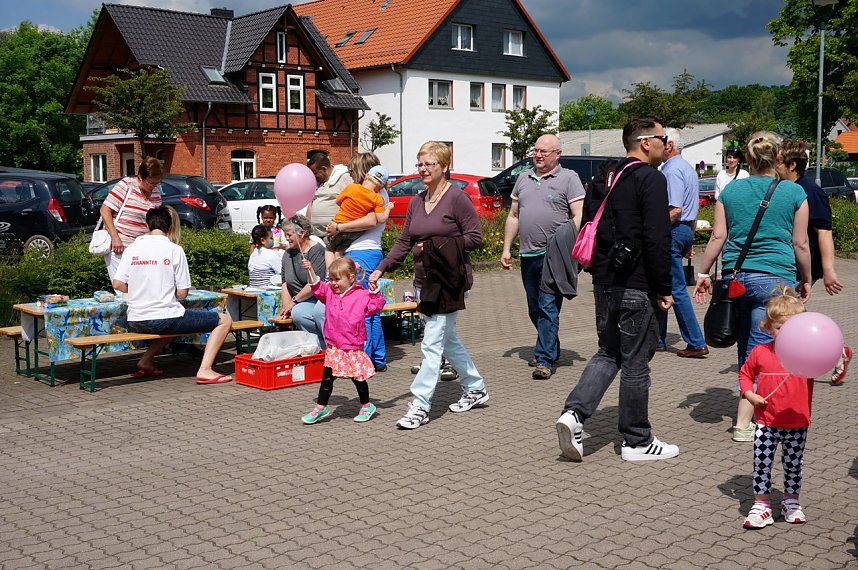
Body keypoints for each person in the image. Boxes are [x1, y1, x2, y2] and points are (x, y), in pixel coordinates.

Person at [556, 116, 679, 462]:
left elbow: (589, 225)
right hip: (637, 284)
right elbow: (657, 238)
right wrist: (664, 287)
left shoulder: (604, 177)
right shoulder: (650, 179)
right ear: (645, 142)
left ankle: (574, 414)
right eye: (662, 138)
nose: (666, 144)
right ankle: (637, 440)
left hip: (604, 280)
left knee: (608, 352)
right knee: (636, 362)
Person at [692, 131, 812, 443]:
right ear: (779, 158)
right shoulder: (794, 192)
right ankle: (747, 421)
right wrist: (807, 278)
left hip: (736, 278)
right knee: (764, 349)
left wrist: (703, 272)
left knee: (747, 348)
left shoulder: (731, 191)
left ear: (747, 159)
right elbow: (800, 243)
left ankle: (749, 408)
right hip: (775, 278)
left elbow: (718, 236)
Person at [370, 141, 489, 429]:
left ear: (444, 167)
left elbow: (475, 237)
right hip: (424, 281)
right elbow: (405, 241)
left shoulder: (457, 198)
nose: (423, 169)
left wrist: (437, 245)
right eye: (420, 164)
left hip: (450, 281)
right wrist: (382, 268)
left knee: (432, 343)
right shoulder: (417, 201)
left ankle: (420, 405)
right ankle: (475, 388)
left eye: (429, 164)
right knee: (447, 339)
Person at [111, 207, 233, 384]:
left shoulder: (132, 249)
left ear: (148, 225)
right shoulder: (174, 249)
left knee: (173, 320)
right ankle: (205, 369)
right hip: (164, 319)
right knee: (224, 320)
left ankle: (146, 361)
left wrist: (141, 289)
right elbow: (182, 293)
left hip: (136, 319)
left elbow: (117, 284)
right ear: (170, 226)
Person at [500, 133, 585, 379]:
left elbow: (579, 215)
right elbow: (514, 216)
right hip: (528, 254)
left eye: (543, 151)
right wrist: (506, 248)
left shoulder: (569, 178)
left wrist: (565, 242)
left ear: (557, 154)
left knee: (548, 306)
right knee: (534, 307)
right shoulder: (523, 178)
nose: (538, 155)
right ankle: (551, 347)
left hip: (554, 255)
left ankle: (544, 360)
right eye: (535, 151)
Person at [738, 287, 814, 529]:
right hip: (766, 422)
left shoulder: (806, 354)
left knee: (794, 464)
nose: (787, 333)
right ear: (769, 327)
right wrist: (750, 394)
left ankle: (791, 501)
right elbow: (745, 374)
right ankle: (762, 504)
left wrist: (839, 355)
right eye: (781, 327)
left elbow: (826, 360)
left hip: (797, 421)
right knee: (762, 463)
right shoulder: (760, 352)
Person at [776, 139, 851, 384]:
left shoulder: (811, 191)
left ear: (792, 165)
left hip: (806, 263)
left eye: (779, 162)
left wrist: (828, 271)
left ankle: (834, 353)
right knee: (791, 312)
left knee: (790, 313)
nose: (775, 166)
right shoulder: (782, 188)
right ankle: (830, 352)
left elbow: (824, 232)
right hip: (787, 261)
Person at [300, 257, 386, 424]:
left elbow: (376, 306)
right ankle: (321, 407)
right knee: (327, 378)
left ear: (351, 277)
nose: (333, 283)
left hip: (352, 345)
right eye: (331, 279)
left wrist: (375, 292)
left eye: (337, 279)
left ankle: (366, 405)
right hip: (334, 345)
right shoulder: (329, 293)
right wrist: (309, 270)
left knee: (358, 378)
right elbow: (317, 287)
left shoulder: (362, 295)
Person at [326, 152, 389, 372]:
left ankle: (366, 357)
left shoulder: (375, 194)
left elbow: (371, 220)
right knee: (370, 308)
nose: (351, 175)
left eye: (353, 171)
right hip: (366, 251)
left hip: (363, 251)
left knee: (362, 309)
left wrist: (339, 227)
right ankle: (377, 357)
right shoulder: (374, 193)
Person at [656, 128, 708, 357]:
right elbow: (692, 209)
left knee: (675, 288)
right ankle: (658, 338)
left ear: (669, 145)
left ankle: (695, 341)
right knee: (663, 284)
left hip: (673, 229)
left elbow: (675, 209)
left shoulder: (671, 170)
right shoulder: (687, 168)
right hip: (684, 229)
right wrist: (690, 238)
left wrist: (653, 230)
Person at [99, 157, 164, 280]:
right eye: (151, 182)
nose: (154, 186)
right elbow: (105, 210)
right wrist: (115, 238)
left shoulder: (156, 193)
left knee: (139, 286)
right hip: (120, 247)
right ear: (141, 177)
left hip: (142, 250)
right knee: (122, 286)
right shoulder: (126, 185)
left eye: (157, 183)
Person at [326, 164, 393, 266]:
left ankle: (329, 272)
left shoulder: (352, 187)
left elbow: (338, 201)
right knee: (339, 251)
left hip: (339, 222)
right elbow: (381, 219)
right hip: (355, 232)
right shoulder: (377, 198)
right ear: (381, 187)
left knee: (329, 249)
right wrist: (388, 209)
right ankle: (339, 270)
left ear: (366, 176)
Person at [278, 214, 327, 349]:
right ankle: (318, 347)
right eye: (285, 235)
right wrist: (286, 306)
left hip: (317, 298)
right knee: (298, 312)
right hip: (301, 301)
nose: (286, 238)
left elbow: (314, 283)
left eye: (289, 235)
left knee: (317, 312)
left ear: (302, 233)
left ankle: (331, 346)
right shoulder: (287, 254)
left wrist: (294, 301)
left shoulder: (316, 250)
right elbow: (285, 283)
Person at [307, 152, 352, 237]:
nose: (315, 177)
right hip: (315, 234)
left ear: (324, 169)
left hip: (334, 235)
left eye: (316, 173)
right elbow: (311, 205)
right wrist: (307, 227)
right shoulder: (318, 183)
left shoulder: (344, 178)